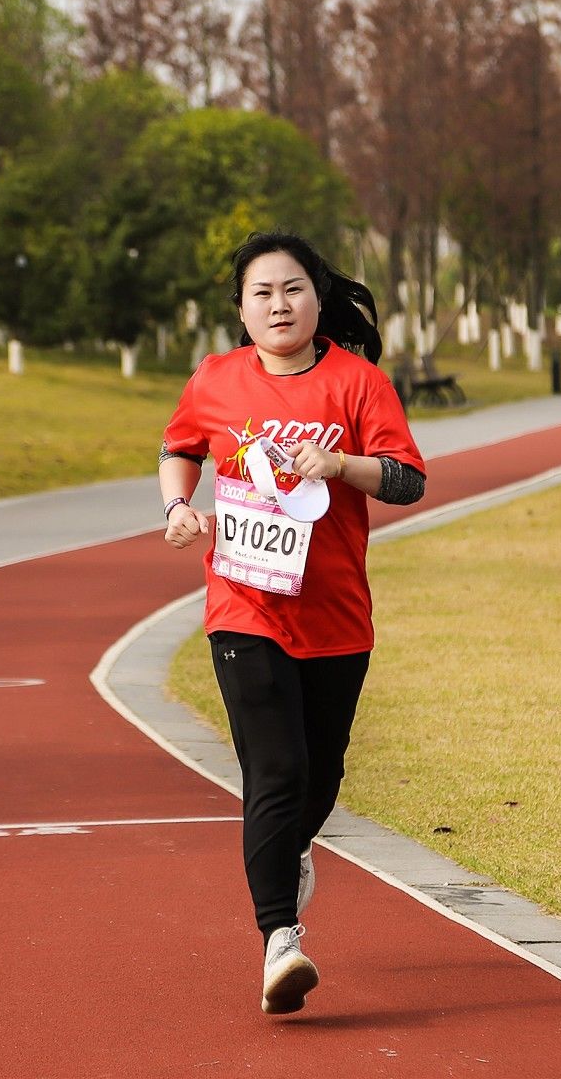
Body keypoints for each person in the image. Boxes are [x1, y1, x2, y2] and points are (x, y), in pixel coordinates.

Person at [158, 231, 427, 1016]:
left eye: (293, 289)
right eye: (262, 293)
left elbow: (407, 480)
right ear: (242, 310)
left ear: (317, 297)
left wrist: (339, 464)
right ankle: (281, 939)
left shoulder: (358, 383)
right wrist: (177, 506)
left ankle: (293, 847)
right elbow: (180, 447)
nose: (278, 305)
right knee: (275, 770)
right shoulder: (215, 379)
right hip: (243, 607)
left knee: (321, 774)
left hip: (335, 613)